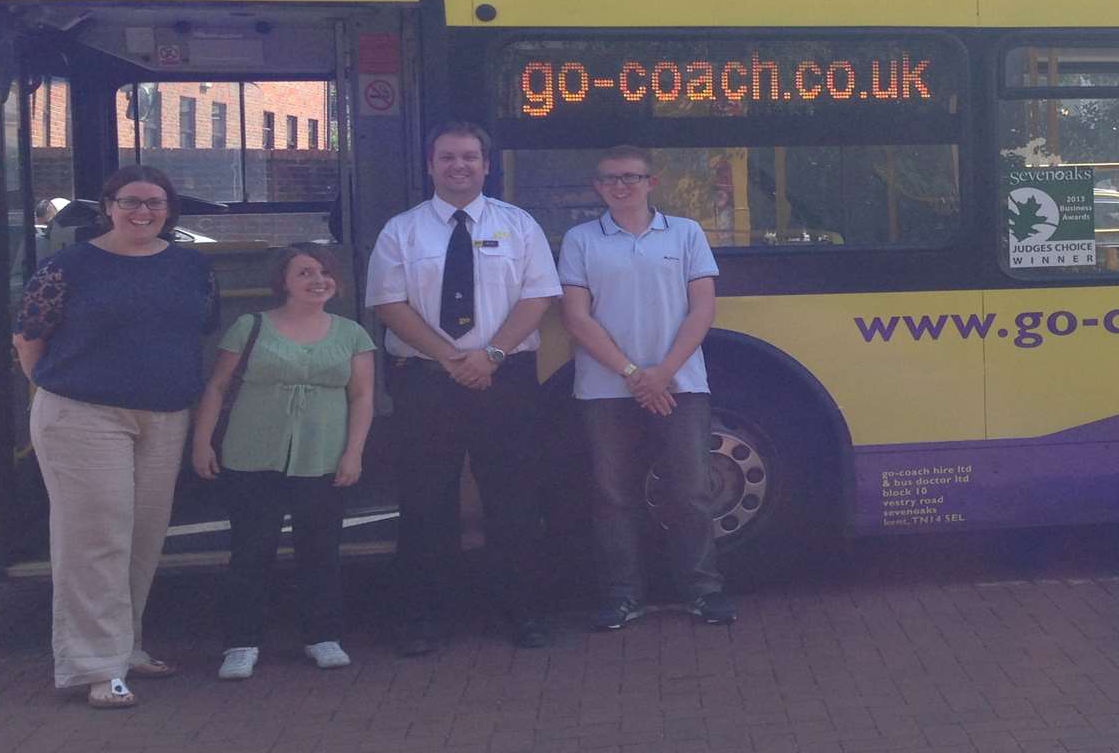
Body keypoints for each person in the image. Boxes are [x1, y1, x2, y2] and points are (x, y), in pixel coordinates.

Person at [12, 165, 217, 709]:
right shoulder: (68, 266)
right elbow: (29, 340)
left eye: (154, 203)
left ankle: (126, 648)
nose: (142, 212)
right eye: (130, 202)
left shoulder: (191, 266)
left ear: (170, 210)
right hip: (83, 416)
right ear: (108, 207)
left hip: (165, 417)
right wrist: (68, 389)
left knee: (142, 538)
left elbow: (197, 330)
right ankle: (94, 668)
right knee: (95, 541)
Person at [365, 121, 562, 652]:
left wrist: (490, 355)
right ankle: (425, 618)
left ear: (486, 165)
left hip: (507, 379)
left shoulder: (519, 226)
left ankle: (524, 613)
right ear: (430, 166)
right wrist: (451, 358)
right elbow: (389, 305)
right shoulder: (400, 231)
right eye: (448, 157)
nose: (459, 166)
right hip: (427, 383)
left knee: (515, 499)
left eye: (470, 157)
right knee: (426, 502)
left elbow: (538, 299)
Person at [557, 146, 736, 629]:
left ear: (651, 183)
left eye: (631, 178)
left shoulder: (686, 232)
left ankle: (703, 590)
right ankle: (621, 595)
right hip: (605, 389)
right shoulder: (580, 240)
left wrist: (663, 373)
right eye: (611, 179)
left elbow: (702, 309)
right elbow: (576, 317)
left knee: (691, 491)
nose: (621, 186)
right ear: (597, 187)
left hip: (681, 384)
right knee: (612, 495)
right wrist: (637, 375)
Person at [190, 243, 375, 680]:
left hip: (323, 455)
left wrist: (354, 452)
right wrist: (202, 443)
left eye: (325, 273)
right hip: (253, 454)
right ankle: (241, 642)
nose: (318, 281)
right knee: (251, 552)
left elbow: (362, 395)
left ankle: (322, 636)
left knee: (321, 551)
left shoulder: (352, 333)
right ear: (284, 282)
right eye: (305, 273)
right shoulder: (249, 326)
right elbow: (217, 387)